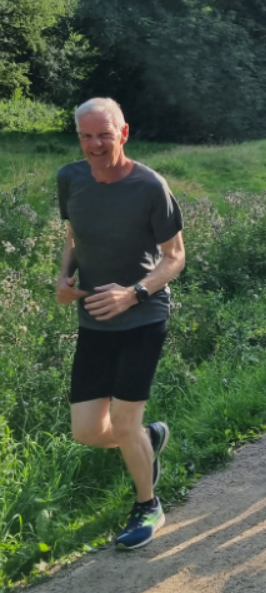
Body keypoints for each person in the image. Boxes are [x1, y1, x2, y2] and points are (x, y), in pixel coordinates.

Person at [56, 98, 185, 550]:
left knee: (125, 423)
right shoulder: (69, 178)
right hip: (94, 317)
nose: (95, 144)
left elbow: (176, 257)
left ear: (123, 133)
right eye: (87, 135)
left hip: (143, 315)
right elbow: (73, 233)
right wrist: (63, 274)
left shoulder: (150, 186)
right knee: (88, 431)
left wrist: (134, 293)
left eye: (104, 134)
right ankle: (148, 440)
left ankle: (148, 505)